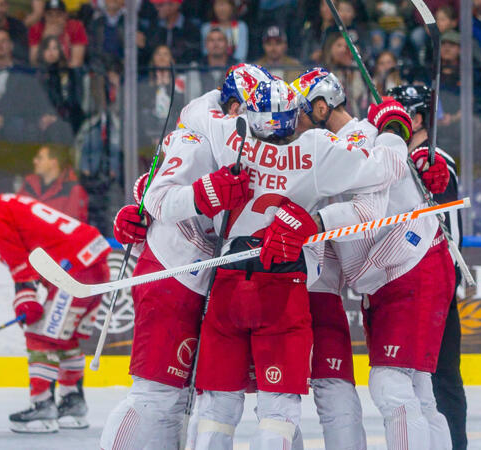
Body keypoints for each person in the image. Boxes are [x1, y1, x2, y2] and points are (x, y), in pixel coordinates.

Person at [145, 78, 412, 448]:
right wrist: (390, 127)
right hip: (284, 288)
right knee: (278, 410)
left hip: (227, 283)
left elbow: (184, 133)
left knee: (216, 405)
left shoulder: (228, 135)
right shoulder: (317, 150)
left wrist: (143, 195)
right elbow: (388, 167)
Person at [100, 64, 270, 449]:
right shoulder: (196, 136)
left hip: (206, 278)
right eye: (249, 111)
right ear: (230, 107)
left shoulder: (242, 133)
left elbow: (149, 186)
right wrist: (207, 192)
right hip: (171, 270)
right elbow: (160, 196)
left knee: (186, 398)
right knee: (155, 394)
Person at [293, 69, 453, 450]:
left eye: (298, 112)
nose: (291, 122)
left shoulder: (360, 142)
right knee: (417, 388)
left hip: (409, 266)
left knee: (391, 385)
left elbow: (368, 217)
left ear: (320, 107)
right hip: (401, 270)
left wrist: (313, 224)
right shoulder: (348, 141)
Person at [0, 181, 110, 432]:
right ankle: (73, 404)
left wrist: (26, 299)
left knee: (39, 334)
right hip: (96, 261)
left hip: (72, 271)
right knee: (63, 337)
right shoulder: (10, 201)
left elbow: (20, 265)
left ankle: (42, 408)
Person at [390, 84, 467, 450]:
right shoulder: (401, 160)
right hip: (418, 283)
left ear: (417, 119)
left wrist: (423, 168)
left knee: (440, 380)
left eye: (399, 115)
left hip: (435, 282)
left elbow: (447, 224)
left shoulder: (433, 159)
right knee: (423, 380)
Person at [18, 144, 88, 222]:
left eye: (40, 158)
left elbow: (72, 227)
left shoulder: (73, 190)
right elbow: (15, 212)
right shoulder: (29, 183)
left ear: (53, 163)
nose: (34, 161)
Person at [28, 0, 88, 68]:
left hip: (67, 72)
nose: (54, 19)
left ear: (66, 15)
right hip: (42, 72)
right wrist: (46, 37)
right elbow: (34, 61)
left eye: (59, 14)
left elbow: (77, 62)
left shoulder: (76, 27)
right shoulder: (36, 28)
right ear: (44, 16)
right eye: (50, 14)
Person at [138, 0, 201, 65]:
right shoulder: (154, 26)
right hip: (157, 72)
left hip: (181, 72)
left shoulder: (191, 29)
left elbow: (192, 56)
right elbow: (149, 55)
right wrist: (143, 46)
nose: (157, 8)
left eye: (160, 5)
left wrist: (173, 64)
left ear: (174, 5)